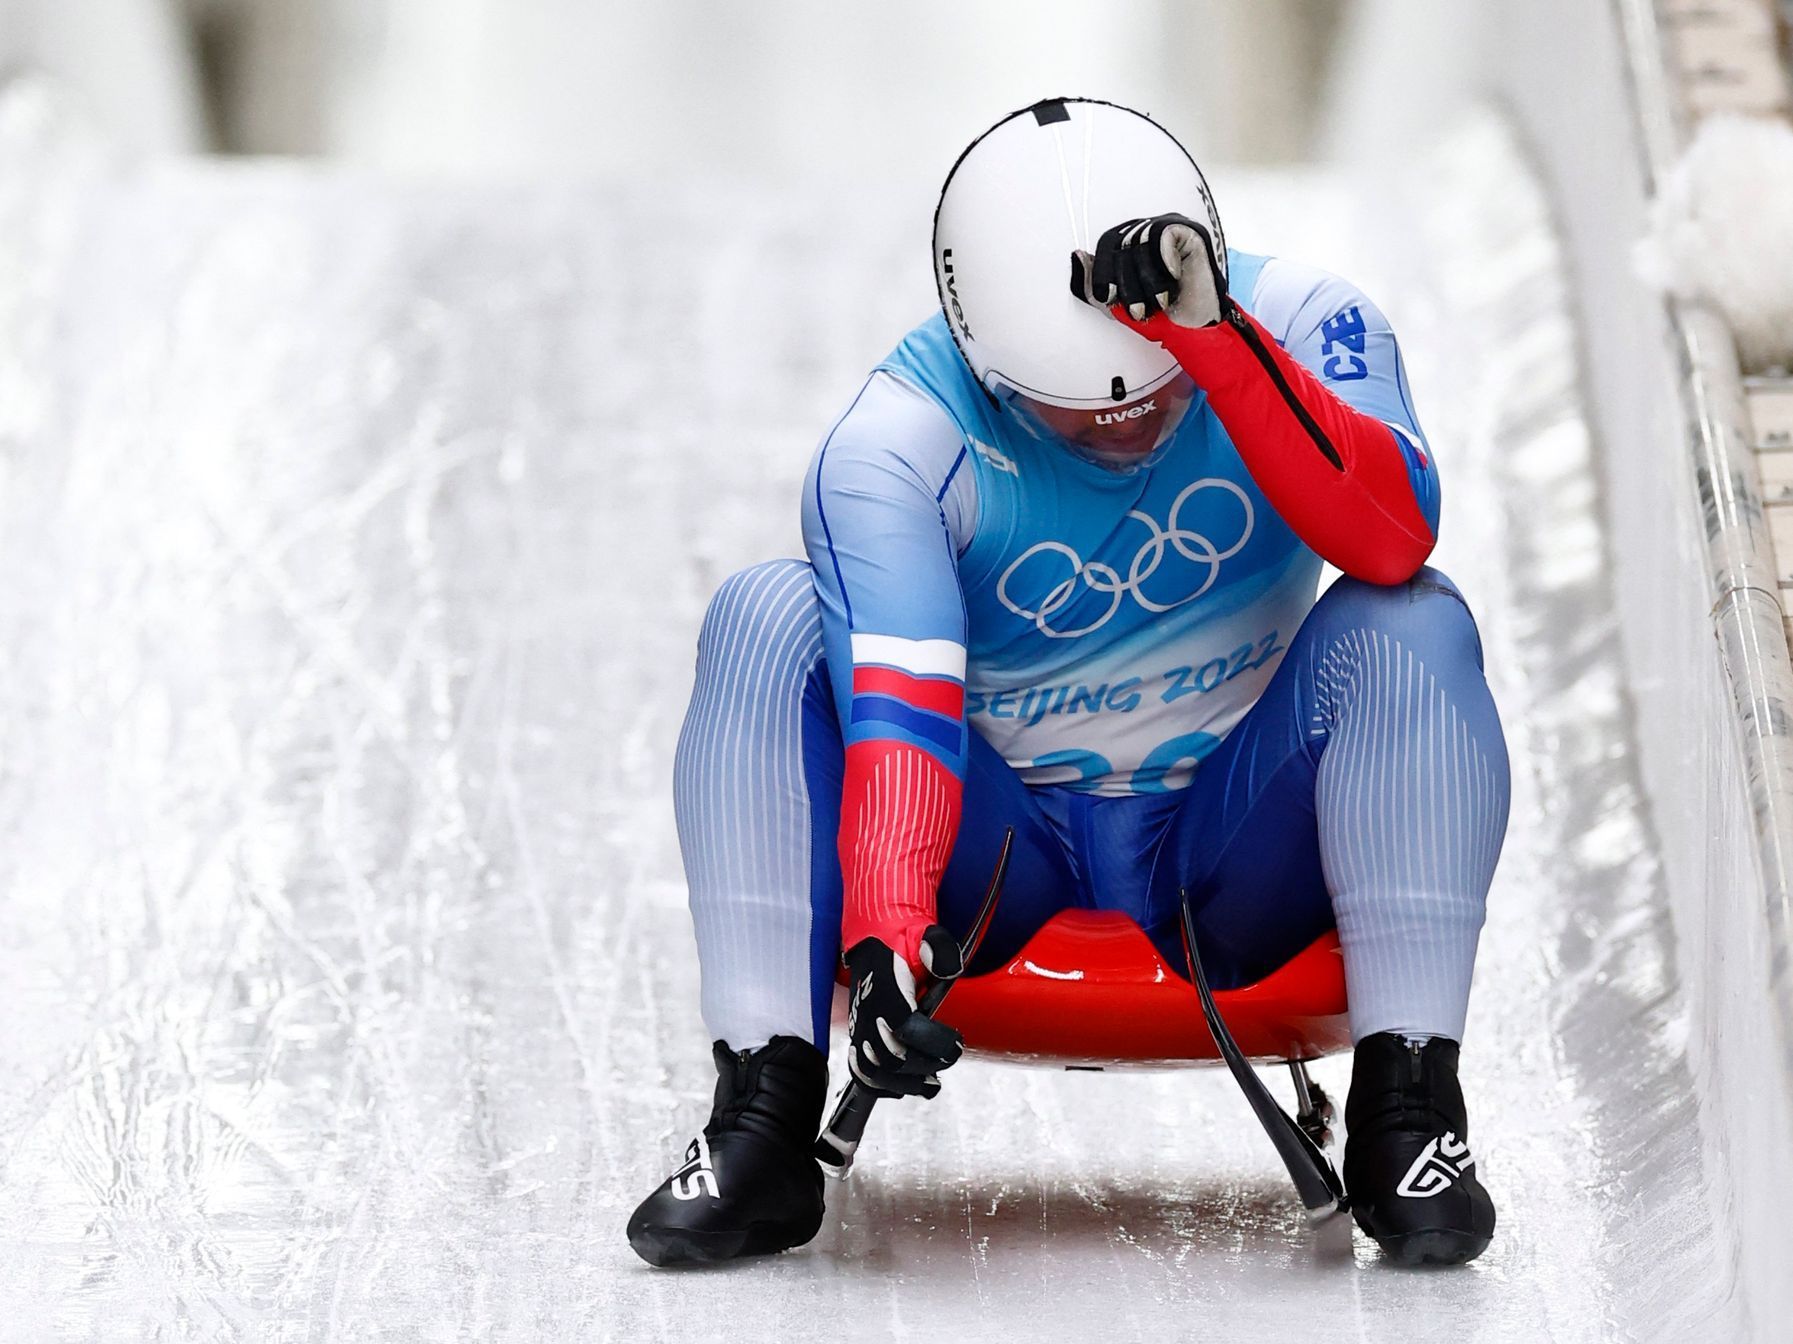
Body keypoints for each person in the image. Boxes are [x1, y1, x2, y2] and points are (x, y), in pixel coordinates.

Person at [628, 97, 1510, 1270]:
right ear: (990, 370)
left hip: (1231, 844)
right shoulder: (895, 442)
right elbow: (900, 694)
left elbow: (1394, 534)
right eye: (1083, 416)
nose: (1128, 435)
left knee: (1411, 619)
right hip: (1001, 864)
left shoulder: (1307, 320)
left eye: (1151, 400)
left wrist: (1217, 349)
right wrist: (888, 924)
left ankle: (1412, 1112)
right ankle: (763, 1111)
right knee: (767, 616)